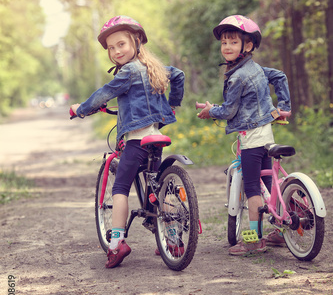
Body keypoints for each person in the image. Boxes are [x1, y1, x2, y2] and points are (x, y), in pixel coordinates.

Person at [70, 15, 185, 268]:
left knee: (120, 188)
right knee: (159, 186)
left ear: (136, 42)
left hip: (136, 141)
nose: (116, 51)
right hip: (156, 137)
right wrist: (172, 106)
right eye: (111, 48)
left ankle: (117, 243)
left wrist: (81, 109)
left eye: (121, 44)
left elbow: (104, 94)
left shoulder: (129, 71)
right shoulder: (152, 66)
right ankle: (172, 239)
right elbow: (179, 77)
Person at [197, 14, 291, 256]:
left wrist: (211, 111)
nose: (227, 47)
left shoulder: (237, 76)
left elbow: (229, 111)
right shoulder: (255, 68)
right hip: (266, 134)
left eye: (233, 42)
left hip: (251, 138)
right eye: (224, 43)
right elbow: (279, 76)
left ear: (247, 46)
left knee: (252, 188)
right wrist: (285, 107)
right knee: (269, 184)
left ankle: (253, 239)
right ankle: (280, 231)